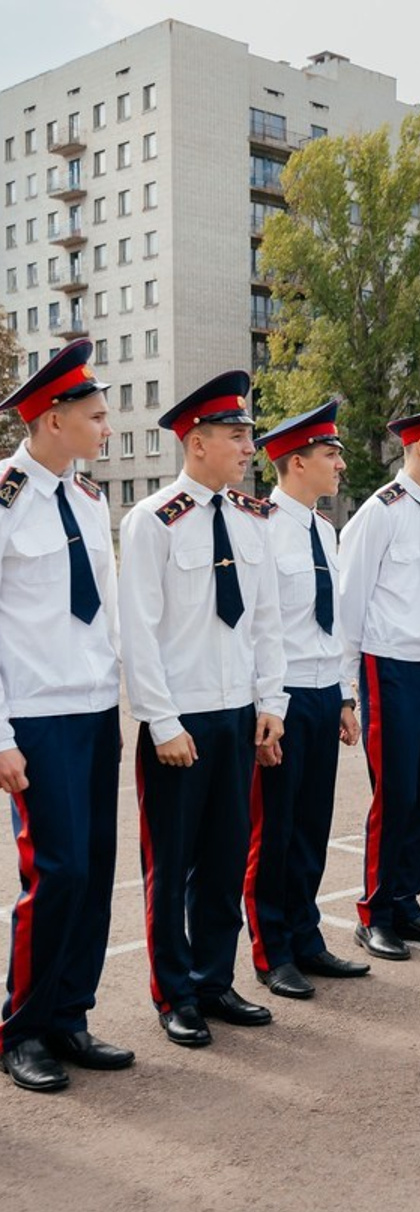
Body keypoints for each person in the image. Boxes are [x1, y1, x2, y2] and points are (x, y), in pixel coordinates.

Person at [120, 371, 287, 1048]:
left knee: (223, 857)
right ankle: (175, 992)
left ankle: (216, 980)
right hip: (180, 723)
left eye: (248, 434)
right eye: (236, 435)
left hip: (235, 716)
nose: (249, 446)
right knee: (173, 863)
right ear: (196, 442)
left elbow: (267, 619)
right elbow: (139, 629)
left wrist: (270, 701)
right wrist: (162, 722)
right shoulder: (151, 522)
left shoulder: (252, 519)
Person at [0, 341, 132, 1091]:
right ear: (53, 420)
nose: (107, 428)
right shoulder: (6, 496)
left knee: (94, 873)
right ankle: (23, 1029)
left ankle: (71, 1016)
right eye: (97, 416)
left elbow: (104, 616)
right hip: (38, 718)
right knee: (57, 871)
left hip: (92, 712)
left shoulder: (87, 498)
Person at [337, 404, 420, 961]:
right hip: (389, 664)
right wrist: (345, 689)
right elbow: (349, 601)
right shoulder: (379, 512)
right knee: (393, 792)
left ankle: (406, 901)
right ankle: (375, 912)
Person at [242, 402, 368, 1001]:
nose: (340, 463)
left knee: (313, 824)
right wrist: (267, 703)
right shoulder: (259, 525)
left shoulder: (325, 529)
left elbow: (334, 624)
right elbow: (256, 625)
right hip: (282, 698)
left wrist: (344, 696)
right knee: (275, 829)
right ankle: (273, 950)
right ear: (296, 463)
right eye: (330, 454)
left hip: (322, 694)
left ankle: (306, 936)